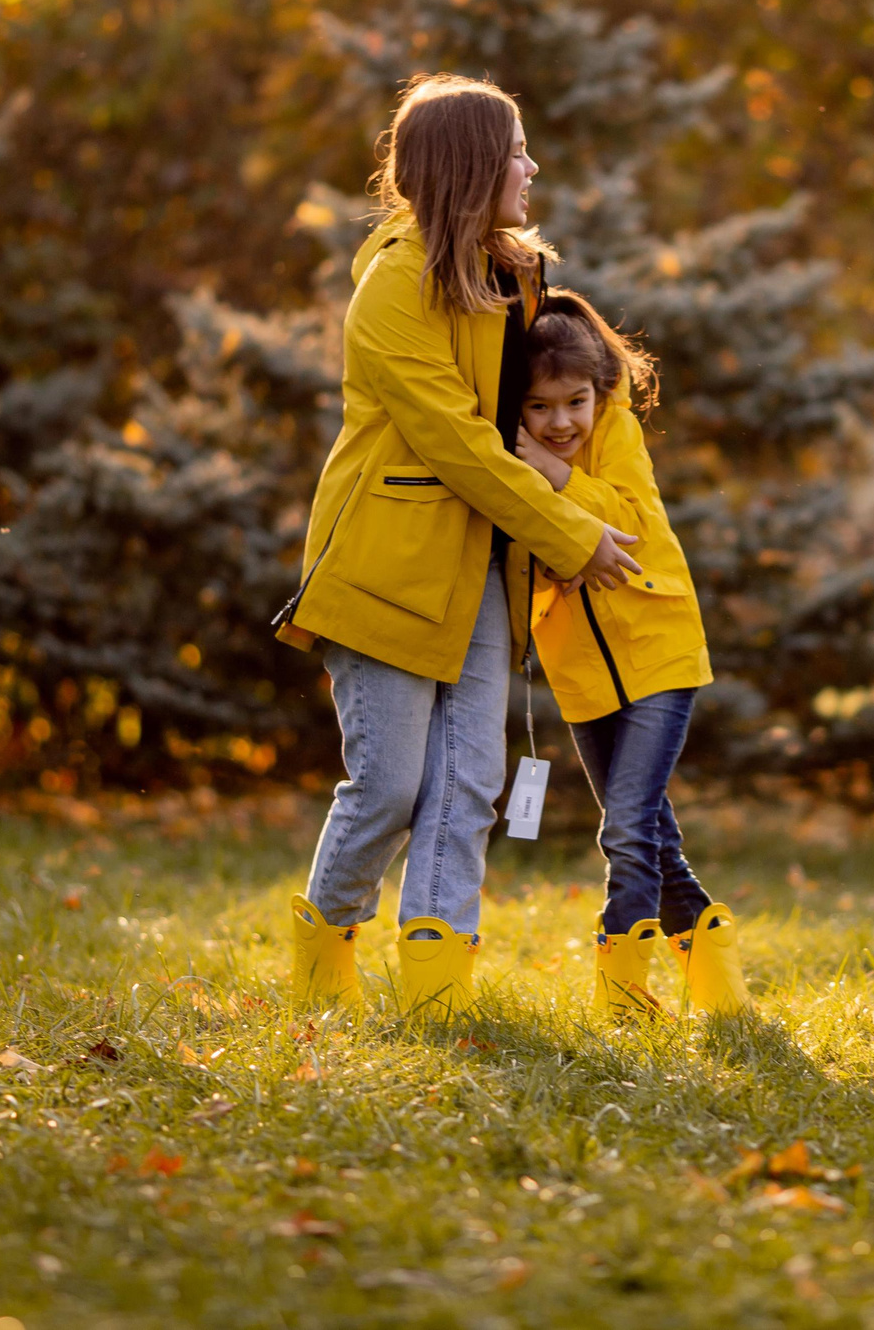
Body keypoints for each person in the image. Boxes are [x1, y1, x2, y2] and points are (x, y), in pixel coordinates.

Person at [274, 75, 644, 1018]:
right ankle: (321, 965)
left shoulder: (509, 276)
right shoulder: (394, 286)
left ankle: (436, 992)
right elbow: (459, 442)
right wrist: (571, 534)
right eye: (517, 151)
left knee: (470, 784)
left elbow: (531, 419)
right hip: (387, 566)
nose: (532, 167)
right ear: (473, 166)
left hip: (483, 566)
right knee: (390, 786)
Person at [511, 291, 748, 1018]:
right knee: (653, 837)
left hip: (659, 656)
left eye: (574, 403)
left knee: (626, 828)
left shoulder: (615, 433)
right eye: (539, 408)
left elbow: (631, 520)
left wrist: (554, 474)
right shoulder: (506, 461)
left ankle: (621, 999)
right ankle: (723, 993)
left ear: (598, 391)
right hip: (582, 675)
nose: (560, 423)